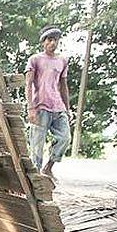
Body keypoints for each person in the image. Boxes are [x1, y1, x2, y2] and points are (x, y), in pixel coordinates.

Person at [25, 25, 71, 178]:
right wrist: (30, 108)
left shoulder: (62, 60)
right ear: (43, 42)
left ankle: (49, 167)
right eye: (50, 40)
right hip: (40, 106)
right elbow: (28, 84)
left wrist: (68, 109)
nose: (53, 43)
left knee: (65, 138)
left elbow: (63, 86)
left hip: (58, 107)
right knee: (37, 147)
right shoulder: (35, 59)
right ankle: (36, 179)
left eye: (56, 40)